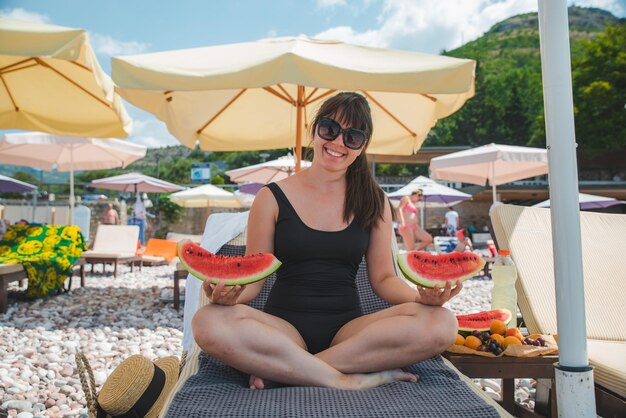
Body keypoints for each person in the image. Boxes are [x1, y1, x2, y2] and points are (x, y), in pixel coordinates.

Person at [192, 92, 462, 391]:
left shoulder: (374, 201)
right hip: (282, 329)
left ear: (362, 147)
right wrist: (229, 296)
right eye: (329, 129)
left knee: (443, 323)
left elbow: (384, 278)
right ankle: (343, 379)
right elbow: (254, 280)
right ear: (315, 130)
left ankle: (291, 368)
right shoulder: (270, 198)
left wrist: (421, 299)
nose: (337, 143)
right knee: (207, 321)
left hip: (350, 332)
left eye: (353, 136)